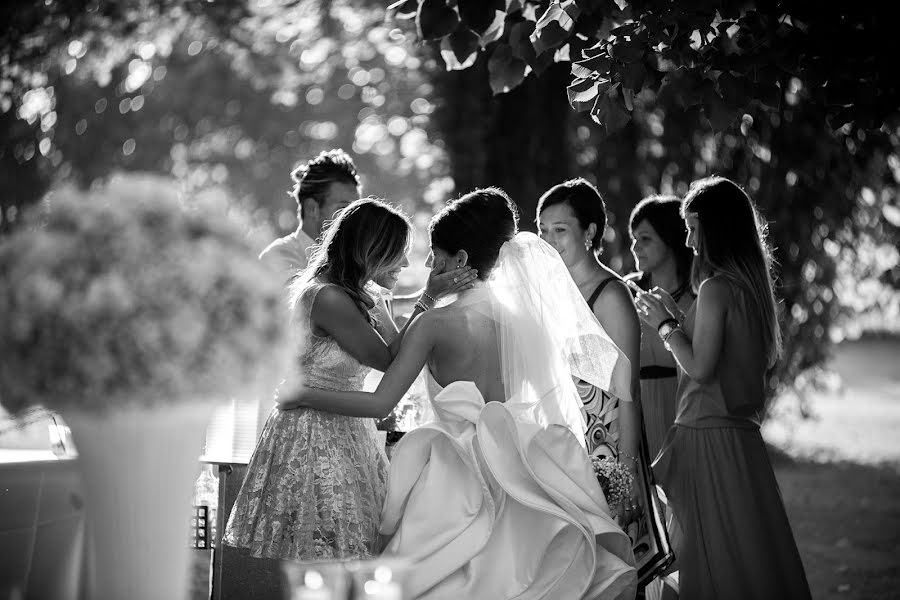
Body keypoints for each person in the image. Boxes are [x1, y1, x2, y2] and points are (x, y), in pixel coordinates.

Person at [280, 188, 637, 600]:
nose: (430, 264)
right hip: (520, 468)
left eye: (437, 253)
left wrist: (305, 396)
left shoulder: (435, 325)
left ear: (461, 260)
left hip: (452, 474)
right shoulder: (527, 323)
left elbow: (380, 404)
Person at [222, 198, 476, 566]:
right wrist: (428, 299)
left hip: (344, 430)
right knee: (328, 556)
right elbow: (390, 360)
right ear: (370, 251)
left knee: (350, 556)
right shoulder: (328, 298)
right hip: (313, 436)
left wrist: (423, 301)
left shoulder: (363, 295)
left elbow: (393, 350)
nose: (405, 264)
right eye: (397, 253)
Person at [635, 176, 811, 599]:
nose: (690, 242)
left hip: (707, 439)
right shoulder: (749, 289)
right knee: (747, 552)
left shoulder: (715, 289)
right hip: (739, 440)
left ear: (715, 227)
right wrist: (678, 317)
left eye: (693, 228)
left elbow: (698, 366)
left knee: (707, 555)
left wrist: (663, 324)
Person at [536, 179, 644, 519]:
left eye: (560, 229)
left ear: (589, 232)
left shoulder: (610, 296)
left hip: (605, 447)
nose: (548, 240)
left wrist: (625, 474)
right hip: (558, 447)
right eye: (542, 230)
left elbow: (628, 392)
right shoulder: (547, 292)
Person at [625, 195, 695, 460]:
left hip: (684, 412)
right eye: (633, 238)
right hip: (636, 413)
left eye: (645, 239)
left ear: (670, 238)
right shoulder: (625, 291)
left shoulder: (699, 296)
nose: (634, 247)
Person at [259, 148, 361, 285]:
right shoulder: (279, 255)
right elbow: (306, 299)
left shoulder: (352, 261)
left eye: (357, 210)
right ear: (312, 208)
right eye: (343, 209)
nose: (355, 219)